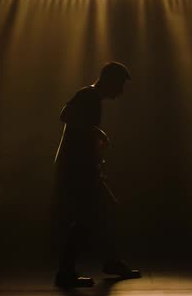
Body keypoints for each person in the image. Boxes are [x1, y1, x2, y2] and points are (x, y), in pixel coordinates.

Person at [53, 62, 141, 288]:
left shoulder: (91, 98)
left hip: (80, 167)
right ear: (109, 80)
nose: (121, 91)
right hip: (77, 169)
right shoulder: (88, 95)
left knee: (98, 212)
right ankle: (69, 271)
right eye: (120, 84)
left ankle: (103, 263)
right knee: (89, 216)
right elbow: (65, 114)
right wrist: (96, 131)